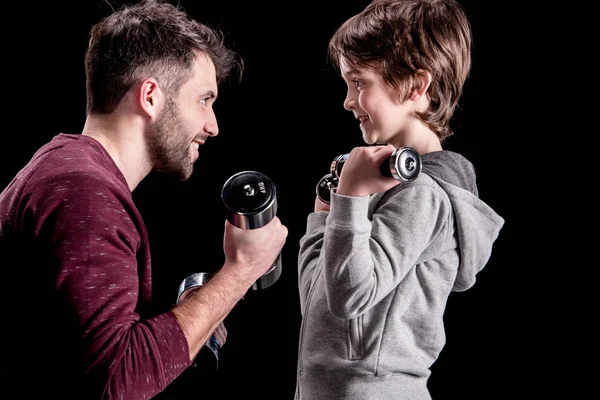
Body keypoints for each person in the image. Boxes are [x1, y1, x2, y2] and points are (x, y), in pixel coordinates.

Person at [0, 0, 288, 399]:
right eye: (204, 100)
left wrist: (196, 309)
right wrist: (242, 270)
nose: (213, 125)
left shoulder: (62, 168)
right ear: (150, 96)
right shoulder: (84, 192)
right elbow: (117, 381)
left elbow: (71, 349)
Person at [295, 0, 505, 399]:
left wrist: (352, 198)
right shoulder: (380, 184)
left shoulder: (425, 195)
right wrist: (326, 217)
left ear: (415, 86)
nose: (348, 100)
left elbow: (350, 297)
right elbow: (318, 305)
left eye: (358, 83)